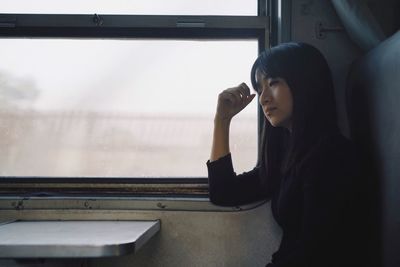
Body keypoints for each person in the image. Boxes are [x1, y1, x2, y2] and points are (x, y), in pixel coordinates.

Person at [207, 42, 366, 267]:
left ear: (305, 83)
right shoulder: (288, 155)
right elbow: (224, 192)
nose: (263, 99)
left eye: (273, 83)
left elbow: (311, 254)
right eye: (260, 89)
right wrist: (221, 120)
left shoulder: (333, 157)